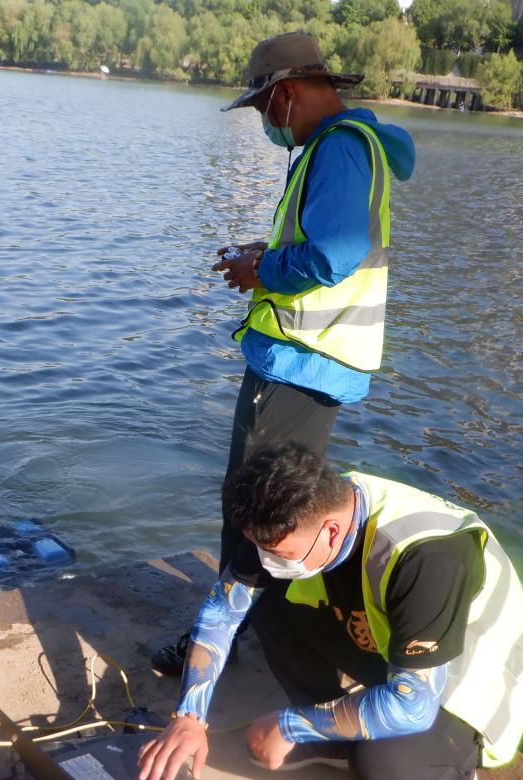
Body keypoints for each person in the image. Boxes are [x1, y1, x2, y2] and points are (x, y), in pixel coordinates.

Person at [151, 32, 416, 677]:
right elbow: (326, 246)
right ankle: (265, 629)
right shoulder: (356, 145)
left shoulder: (339, 148)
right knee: (280, 500)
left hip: (302, 359)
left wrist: (260, 268)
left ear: (287, 94)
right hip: (318, 359)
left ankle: (217, 644)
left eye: (265, 108)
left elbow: (332, 255)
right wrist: (261, 257)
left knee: (254, 503)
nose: (268, 122)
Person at [139, 443, 523, 780]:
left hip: (468, 678)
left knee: (389, 774)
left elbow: (413, 706)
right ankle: (334, 730)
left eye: (278, 551)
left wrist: (290, 724)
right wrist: (189, 717)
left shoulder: (428, 556)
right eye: (261, 547)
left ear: (331, 531)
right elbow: (221, 613)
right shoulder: (298, 510)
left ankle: (449, 778)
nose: (266, 559)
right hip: (395, 651)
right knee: (262, 602)